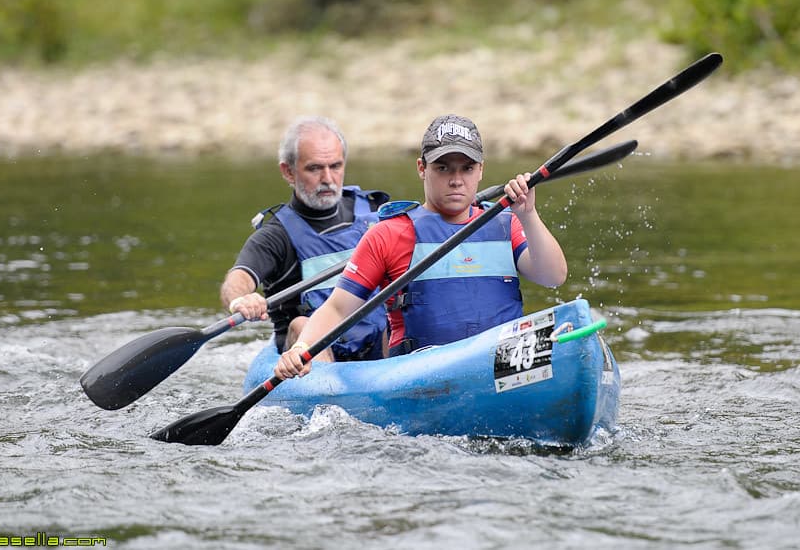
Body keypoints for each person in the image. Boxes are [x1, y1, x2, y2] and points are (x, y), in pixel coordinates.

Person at [275, 113, 567, 378]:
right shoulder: (388, 234)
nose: (456, 180)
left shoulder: (507, 222)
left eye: (466, 168)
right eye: (443, 168)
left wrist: (528, 215)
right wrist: (301, 346)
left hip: (503, 364)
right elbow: (337, 309)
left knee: (574, 324)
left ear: (480, 171)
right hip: (424, 373)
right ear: (422, 168)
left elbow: (553, 277)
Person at [220, 116, 390, 362]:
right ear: (288, 172)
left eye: (335, 166)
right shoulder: (275, 236)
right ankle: (329, 395)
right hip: (308, 354)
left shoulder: (375, 211)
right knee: (302, 324)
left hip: (379, 347)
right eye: (315, 168)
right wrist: (240, 299)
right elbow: (239, 278)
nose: (328, 178)